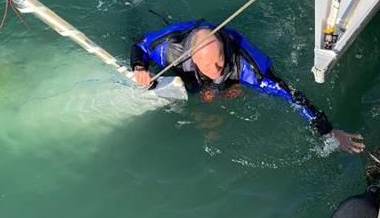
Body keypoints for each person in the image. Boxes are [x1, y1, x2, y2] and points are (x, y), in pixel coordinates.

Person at [131, 20, 365, 153]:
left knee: (221, 94)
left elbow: (292, 95)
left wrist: (327, 131)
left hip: (232, 66)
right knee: (200, 101)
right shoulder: (168, 49)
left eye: (219, 65)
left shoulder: (248, 66)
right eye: (208, 68)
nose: (216, 71)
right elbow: (140, 45)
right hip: (188, 49)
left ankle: (228, 86)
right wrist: (140, 68)